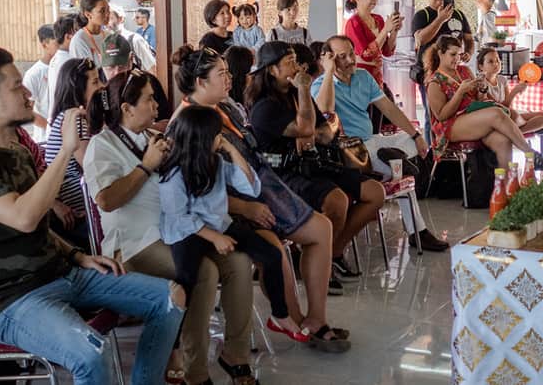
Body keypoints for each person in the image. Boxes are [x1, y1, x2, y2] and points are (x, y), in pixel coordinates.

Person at [0, 48, 184, 384]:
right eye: (17, 87)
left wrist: (77, 255)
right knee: (91, 351)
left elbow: (38, 225)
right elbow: (23, 218)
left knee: (170, 298)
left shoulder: (18, 151)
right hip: (9, 300)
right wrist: (67, 149)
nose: (29, 93)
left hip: (59, 273)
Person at [84, 71, 258, 384]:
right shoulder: (103, 145)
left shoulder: (156, 136)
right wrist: (146, 166)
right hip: (136, 243)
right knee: (205, 272)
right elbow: (106, 200)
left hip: (181, 231)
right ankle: (196, 372)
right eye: (150, 98)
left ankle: (236, 354)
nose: (157, 105)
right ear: (127, 108)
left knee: (240, 262)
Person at [172, 46, 351, 344]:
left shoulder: (224, 105)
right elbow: (191, 189)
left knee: (321, 228)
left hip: (261, 183)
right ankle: (294, 321)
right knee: (275, 251)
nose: (230, 79)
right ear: (201, 82)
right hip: (231, 205)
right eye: (221, 74)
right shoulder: (189, 122)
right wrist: (243, 206)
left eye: (229, 72)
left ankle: (316, 318)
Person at [159, 107, 312, 350]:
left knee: (271, 254)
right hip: (189, 232)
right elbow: (179, 218)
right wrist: (215, 238)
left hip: (219, 223)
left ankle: (280, 315)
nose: (220, 138)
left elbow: (249, 185)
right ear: (201, 138)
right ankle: (173, 340)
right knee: (186, 278)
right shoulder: (174, 173)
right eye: (216, 134)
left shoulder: (217, 161)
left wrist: (230, 149)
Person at [247, 42, 384, 281]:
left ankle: (332, 252)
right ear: (271, 70)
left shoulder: (295, 95)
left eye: (296, 61)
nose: (297, 67)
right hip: (284, 174)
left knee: (375, 192)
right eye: (289, 62)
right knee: (337, 201)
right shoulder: (264, 107)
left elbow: (326, 128)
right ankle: (315, 261)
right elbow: (307, 126)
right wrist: (304, 97)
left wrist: (310, 134)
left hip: (314, 164)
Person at [312, 36, 448, 252]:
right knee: (397, 166)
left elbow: (390, 109)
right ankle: (417, 228)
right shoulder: (321, 84)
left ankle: (397, 163)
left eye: (351, 53)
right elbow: (324, 112)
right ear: (327, 58)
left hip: (373, 142)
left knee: (409, 141)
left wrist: (416, 136)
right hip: (349, 151)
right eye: (341, 57)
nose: (350, 60)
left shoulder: (363, 77)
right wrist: (328, 72)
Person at [426, 35, 537, 165]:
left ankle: (505, 182)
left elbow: (478, 99)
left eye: (459, 54)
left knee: (503, 140)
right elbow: (441, 116)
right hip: (450, 126)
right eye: (453, 54)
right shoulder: (435, 81)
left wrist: (482, 89)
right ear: (440, 54)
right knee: (497, 113)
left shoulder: (464, 71)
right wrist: (460, 92)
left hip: (473, 118)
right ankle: (532, 154)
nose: (457, 58)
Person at [45, 58, 102, 248]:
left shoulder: (72, 116)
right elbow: (93, 166)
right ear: (78, 88)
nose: (102, 86)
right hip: (78, 216)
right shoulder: (74, 118)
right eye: (95, 82)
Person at [412, 0, 474, 143]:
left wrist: (468, 52)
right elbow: (421, 39)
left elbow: (469, 39)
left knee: (459, 111)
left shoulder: (459, 14)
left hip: (455, 73)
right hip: (431, 75)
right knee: (432, 116)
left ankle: (454, 151)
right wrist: (440, 19)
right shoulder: (422, 15)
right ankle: (432, 154)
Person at [101, 34, 172, 128]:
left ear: (131, 59)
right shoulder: (95, 83)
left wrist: (142, 129)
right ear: (100, 60)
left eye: (122, 66)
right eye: (110, 68)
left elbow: (167, 123)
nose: (116, 73)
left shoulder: (148, 82)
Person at [476, 47, 543, 133]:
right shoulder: (482, 84)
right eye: (491, 62)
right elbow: (499, 109)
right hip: (496, 120)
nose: (496, 64)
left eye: (498, 60)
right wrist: (515, 91)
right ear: (481, 66)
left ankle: (515, 132)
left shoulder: (502, 79)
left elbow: (508, 107)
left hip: (508, 115)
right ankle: (521, 131)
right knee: (515, 116)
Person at [344, 0, 401, 87]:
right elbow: (366, 54)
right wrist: (385, 30)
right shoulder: (353, 23)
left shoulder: (378, 19)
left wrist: (394, 31)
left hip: (377, 75)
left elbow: (387, 51)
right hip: (361, 75)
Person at [23, 25, 57, 143]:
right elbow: (26, 110)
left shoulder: (64, 67)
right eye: (57, 42)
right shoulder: (34, 74)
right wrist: (51, 128)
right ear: (44, 45)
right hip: (45, 139)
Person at [107, 4, 156, 75]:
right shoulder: (106, 42)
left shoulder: (135, 39)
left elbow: (152, 69)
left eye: (110, 18)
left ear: (121, 19)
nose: (106, 22)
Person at [47, 15, 78, 119]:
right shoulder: (68, 61)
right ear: (68, 36)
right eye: (78, 33)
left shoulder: (59, 58)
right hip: (65, 120)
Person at [69, 0, 110, 67]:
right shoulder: (79, 40)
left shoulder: (109, 35)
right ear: (88, 14)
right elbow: (85, 72)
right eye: (102, 11)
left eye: (108, 10)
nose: (107, 14)